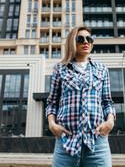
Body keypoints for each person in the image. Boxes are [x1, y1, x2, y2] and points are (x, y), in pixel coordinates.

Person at [46, 26, 115, 167]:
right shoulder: (60, 69)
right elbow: (52, 103)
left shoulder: (102, 69)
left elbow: (107, 102)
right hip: (66, 142)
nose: (86, 42)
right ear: (72, 41)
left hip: (97, 143)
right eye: (80, 39)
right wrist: (52, 125)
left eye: (89, 39)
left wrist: (110, 122)